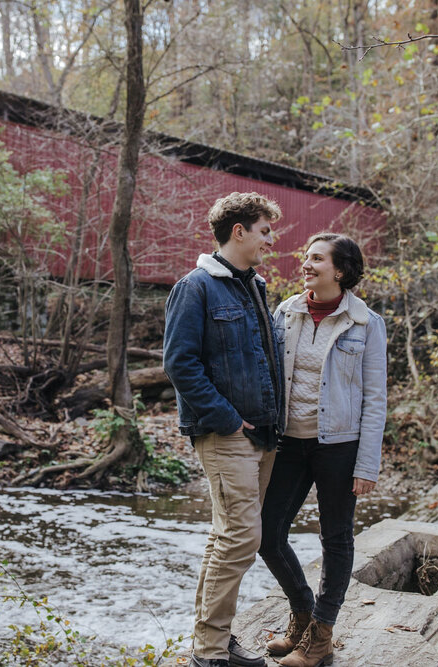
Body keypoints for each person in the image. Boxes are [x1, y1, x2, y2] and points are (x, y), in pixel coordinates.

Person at [163, 192, 285, 667]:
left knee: (225, 538)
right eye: (264, 231)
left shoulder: (255, 286)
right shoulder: (194, 287)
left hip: (264, 435)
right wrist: (228, 418)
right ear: (239, 231)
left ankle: (213, 640)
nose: (269, 241)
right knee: (240, 539)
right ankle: (211, 652)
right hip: (225, 433)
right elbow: (179, 364)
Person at [258, 233, 387, 667]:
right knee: (266, 532)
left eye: (317, 258)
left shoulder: (367, 323)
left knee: (335, 538)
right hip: (288, 443)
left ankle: (321, 636)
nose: (306, 264)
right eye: (307, 257)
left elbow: (375, 399)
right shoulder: (285, 312)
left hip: (340, 446)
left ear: (341, 270)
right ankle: (302, 612)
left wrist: (367, 463)